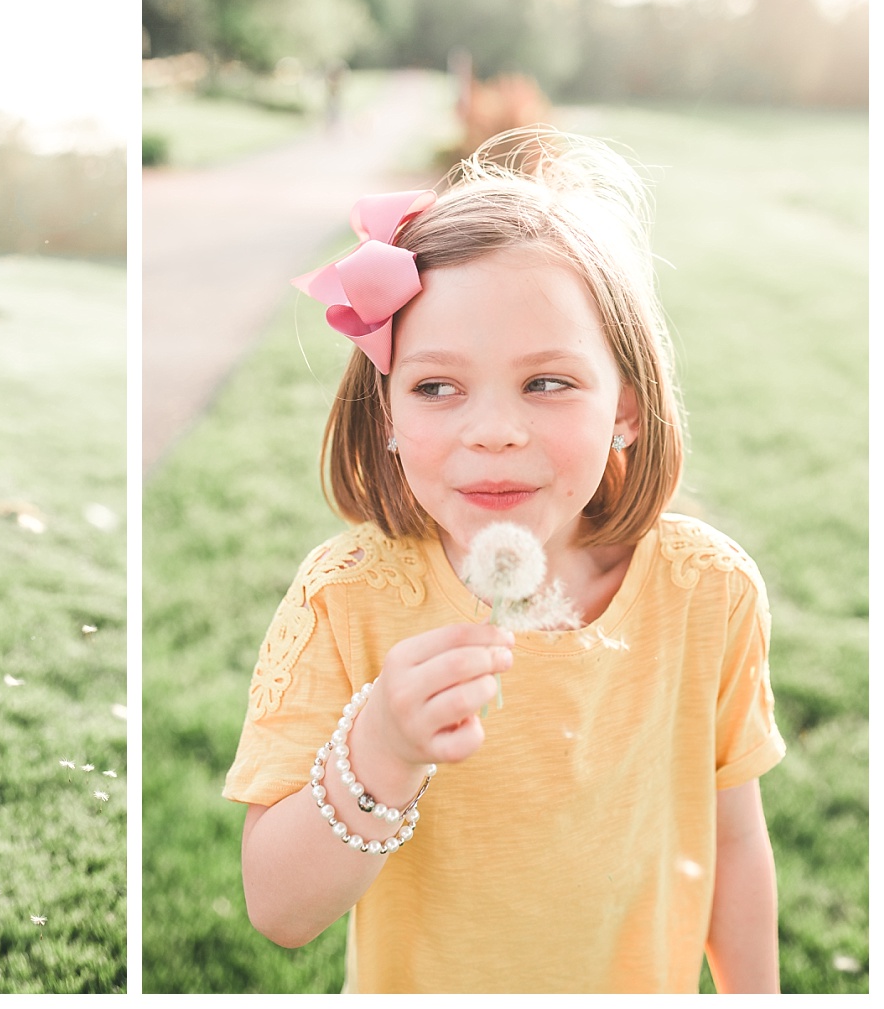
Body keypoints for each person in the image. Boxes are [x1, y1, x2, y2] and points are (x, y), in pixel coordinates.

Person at [224, 128, 785, 994]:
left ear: (626, 406)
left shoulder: (706, 592)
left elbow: (734, 835)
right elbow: (280, 908)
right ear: (386, 414)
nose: (492, 430)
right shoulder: (349, 599)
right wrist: (381, 747)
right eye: (437, 386)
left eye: (547, 381)